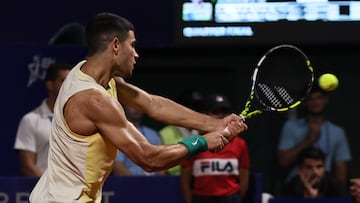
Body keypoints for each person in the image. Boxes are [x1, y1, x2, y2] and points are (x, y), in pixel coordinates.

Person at [29, 12, 247, 203]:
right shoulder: (93, 100)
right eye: (132, 45)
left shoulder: (96, 77)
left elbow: (154, 105)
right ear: (115, 45)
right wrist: (202, 141)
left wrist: (215, 123)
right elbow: (148, 158)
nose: (136, 54)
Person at [180, 94, 250, 203]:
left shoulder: (240, 144)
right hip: (201, 198)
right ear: (205, 114)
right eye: (216, 112)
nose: (221, 116)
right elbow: (185, 179)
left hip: (230, 198)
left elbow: (244, 178)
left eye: (224, 112)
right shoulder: (196, 142)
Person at [277, 84, 351, 186]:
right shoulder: (290, 127)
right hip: (296, 186)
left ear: (325, 100)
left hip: (324, 188)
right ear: (305, 102)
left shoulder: (337, 132)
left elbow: (340, 167)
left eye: (319, 98)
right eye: (311, 99)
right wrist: (309, 139)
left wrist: (340, 195)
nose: (315, 102)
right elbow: (283, 161)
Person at [13, 63, 72, 177]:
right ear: (50, 85)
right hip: (43, 190)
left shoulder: (78, 119)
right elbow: (27, 165)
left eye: (70, 81)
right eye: (63, 81)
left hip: (73, 190)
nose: (68, 85)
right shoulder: (30, 120)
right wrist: (48, 189)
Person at [159, 89, 204, 175]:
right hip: (173, 181)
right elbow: (160, 170)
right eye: (190, 108)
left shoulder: (205, 132)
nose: (194, 112)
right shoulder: (165, 133)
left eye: (197, 108)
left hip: (202, 181)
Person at [112, 105, 164, 176]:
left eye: (139, 105)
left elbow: (161, 164)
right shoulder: (117, 134)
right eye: (132, 105)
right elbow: (118, 167)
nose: (137, 108)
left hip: (154, 182)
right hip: (128, 183)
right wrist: (138, 184)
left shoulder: (153, 134)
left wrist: (158, 182)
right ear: (123, 107)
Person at [281, 146, 346, 198]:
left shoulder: (335, 187)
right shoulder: (291, 188)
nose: (315, 172)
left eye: (319, 167)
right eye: (309, 167)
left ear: (324, 168)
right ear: (299, 170)